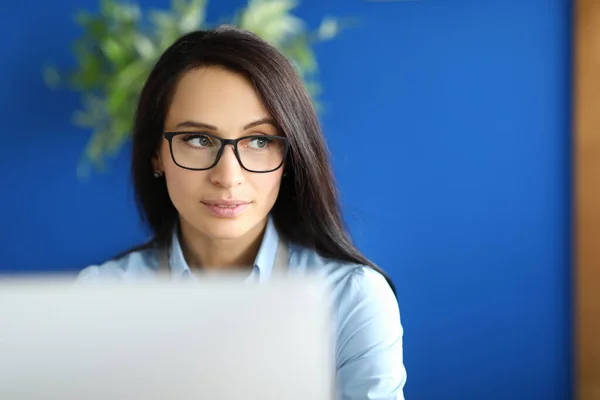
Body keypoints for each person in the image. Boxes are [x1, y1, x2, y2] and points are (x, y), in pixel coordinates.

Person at [77, 25, 407, 399]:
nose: (228, 177)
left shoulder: (352, 300)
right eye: (198, 140)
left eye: (258, 141)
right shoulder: (99, 297)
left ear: (289, 158)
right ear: (157, 154)